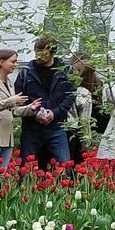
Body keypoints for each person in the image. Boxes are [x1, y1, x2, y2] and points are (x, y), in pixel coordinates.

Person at [13, 35, 75, 168]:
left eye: (43, 54)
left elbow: (70, 96)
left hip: (56, 126)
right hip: (31, 127)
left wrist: (54, 113)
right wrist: (34, 113)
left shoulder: (65, 72)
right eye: (37, 53)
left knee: (64, 166)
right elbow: (18, 98)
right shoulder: (26, 72)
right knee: (26, 168)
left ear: (53, 53)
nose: (39, 57)